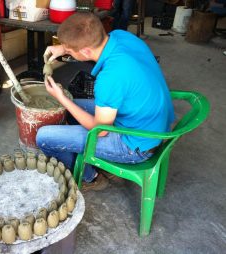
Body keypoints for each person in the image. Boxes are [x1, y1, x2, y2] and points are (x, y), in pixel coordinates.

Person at [36, 12, 175, 191]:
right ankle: (95, 160)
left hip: (136, 146)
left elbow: (99, 130)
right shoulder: (121, 36)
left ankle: (90, 178)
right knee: (71, 109)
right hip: (151, 122)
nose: (66, 52)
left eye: (70, 51)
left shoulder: (109, 78)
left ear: (85, 51)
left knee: (44, 137)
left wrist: (61, 98)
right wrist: (64, 48)